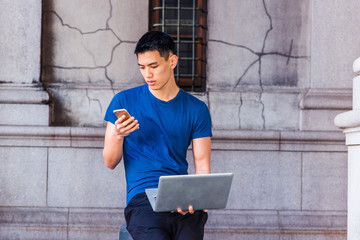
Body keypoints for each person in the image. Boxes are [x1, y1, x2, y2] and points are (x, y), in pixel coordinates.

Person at [102, 31, 212, 240]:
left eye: (153, 66)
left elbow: (202, 165)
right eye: (142, 67)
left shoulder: (196, 109)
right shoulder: (123, 100)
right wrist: (117, 134)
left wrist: (196, 198)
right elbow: (109, 161)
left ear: (172, 61)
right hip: (143, 199)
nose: (147, 74)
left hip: (180, 197)